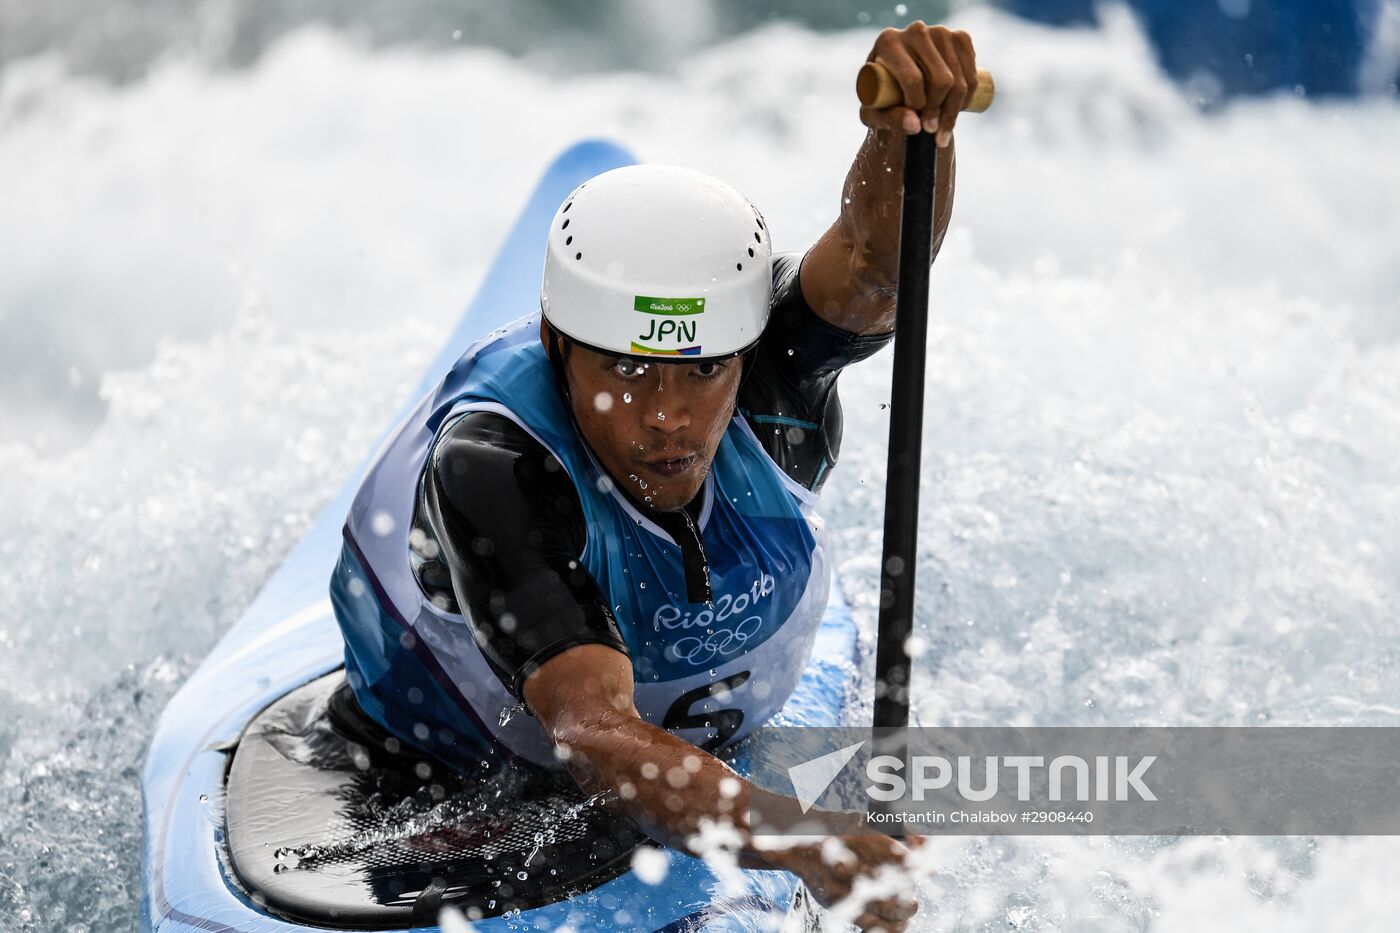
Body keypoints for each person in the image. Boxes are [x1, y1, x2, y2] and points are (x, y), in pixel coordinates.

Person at [329, 22, 978, 933]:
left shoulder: (773, 372)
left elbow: (876, 267)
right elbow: (590, 733)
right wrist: (803, 839)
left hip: (688, 751)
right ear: (559, 349)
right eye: (628, 371)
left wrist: (910, 128)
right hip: (441, 775)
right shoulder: (496, 465)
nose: (668, 415)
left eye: (702, 370)